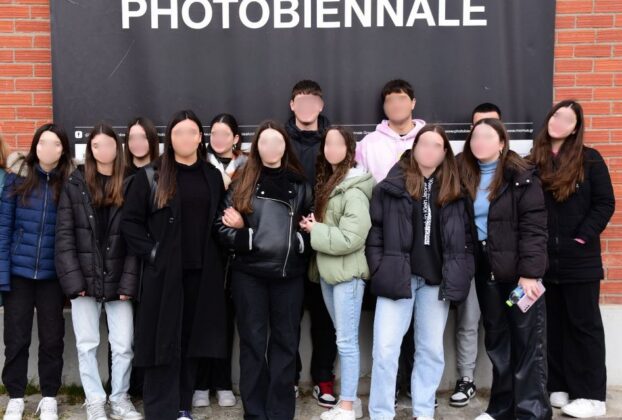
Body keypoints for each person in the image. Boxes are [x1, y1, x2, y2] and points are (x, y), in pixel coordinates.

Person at [122, 110, 229, 420]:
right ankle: (160, 410)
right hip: (164, 274)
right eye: (178, 132)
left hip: (202, 273)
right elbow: (130, 223)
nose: (185, 138)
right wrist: (153, 253)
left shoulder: (211, 176)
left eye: (191, 132)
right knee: (163, 340)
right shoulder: (151, 176)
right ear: (170, 138)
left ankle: (182, 406)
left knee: (191, 341)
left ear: (200, 138)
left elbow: (219, 220)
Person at [367, 124, 474, 420]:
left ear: (444, 152)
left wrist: (462, 271)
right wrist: (379, 268)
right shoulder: (391, 186)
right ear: (414, 149)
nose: (429, 150)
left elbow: (466, 239)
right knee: (385, 350)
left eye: (436, 145)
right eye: (424, 144)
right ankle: (381, 414)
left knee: (430, 351)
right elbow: (375, 232)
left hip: (435, 283)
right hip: (396, 277)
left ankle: (424, 412)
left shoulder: (455, 191)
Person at [216, 121, 312, 420]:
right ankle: (255, 413)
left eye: (277, 142)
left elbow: (311, 226)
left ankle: (280, 412)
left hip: (288, 276)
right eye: (265, 142)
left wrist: (297, 242)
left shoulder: (300, 184)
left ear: (285, 146)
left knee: (286, 344)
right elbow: (221, 227)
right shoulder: (241, 182)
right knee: (253, 345)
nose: (271, 148)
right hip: (249, 276)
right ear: (256, 147)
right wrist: (248, 237)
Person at [459, 118, 551, 420]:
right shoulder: (464, 173)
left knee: (527, 342)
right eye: (475, 137)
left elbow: (534, 229)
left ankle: (531, 412)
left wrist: (530, 274)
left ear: (501, 143)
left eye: (487, 137)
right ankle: (501, 409)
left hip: (519, 275)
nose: (480, 142)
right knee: (498, 340)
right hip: (486, 271)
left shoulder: (521, 177)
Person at [530, 100, 615, 419]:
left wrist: (581, 237)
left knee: (584, 326)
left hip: (580, 260)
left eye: (567, 119)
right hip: (545, 260)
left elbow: (605, 203)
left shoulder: (590, 159)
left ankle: (591, 395)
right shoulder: (534, 161)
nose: (559, 122)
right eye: (556, 115)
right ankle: (559, 386)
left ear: (575, 128)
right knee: (553, 326)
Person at [55, 123, 142, 420]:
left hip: (119, 278)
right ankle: (94, 400)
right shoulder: (75, 184)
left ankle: (119, 399)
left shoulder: (130, 182)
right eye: (96, 146)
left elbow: (135, 237)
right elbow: (64, 237)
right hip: (83, 278)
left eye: (108, 145)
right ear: (90, 150)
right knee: (87, 344)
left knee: (123, 345)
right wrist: (73, 281)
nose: (103, 150)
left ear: (117, 149)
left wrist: (129, 282)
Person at [300, 127, 375, 419]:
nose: (331, 149)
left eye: (338, 144)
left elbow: (351, 238)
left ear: (350, 149)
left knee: (346, 342)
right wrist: (315, 225)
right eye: (327, 144)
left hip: (347, 276)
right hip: (330, 273)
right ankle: (348, 402)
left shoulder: (354, 189)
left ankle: (347, 407)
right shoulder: (332, 182)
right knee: (342, 338)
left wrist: (315, 229)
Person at [0, 124, 72, 420]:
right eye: (43, 142)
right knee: (16, 338)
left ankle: (49, 396)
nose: (48, 149)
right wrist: (3, 275)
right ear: (35, 146)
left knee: (53, 339)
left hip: (52, 277)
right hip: (19, 274)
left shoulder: (69, 184)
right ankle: (16, 396)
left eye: (55, 144)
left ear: (63, 150)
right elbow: (4, 228)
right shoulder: (18, 179)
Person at [286, 80, 338, 407]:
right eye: (300, 101)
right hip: (288, 243)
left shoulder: (333, 140)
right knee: (288, 316)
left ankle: (323, 379)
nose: (306, 107)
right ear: (292, 105)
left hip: (325, 241)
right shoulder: (280, 139)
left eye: (312, 101)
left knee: (325, 317)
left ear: (321, 105)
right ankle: (289, 378)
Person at [449, 102, 503, 408]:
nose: (481, 134)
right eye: (477, 128)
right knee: (468, 319)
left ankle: (504, 383)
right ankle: (466, 379)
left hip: (501, 258)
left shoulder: (514, 170)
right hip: (469, 254)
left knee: (498, 321)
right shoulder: (460, 166)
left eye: (489, 127)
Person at [192, 113, 246, 409]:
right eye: (214, 134)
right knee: (202, 319)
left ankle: (223, 382)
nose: (219, 139)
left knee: (226, 320)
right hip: (204, 251)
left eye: (225, 134)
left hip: (235, 253)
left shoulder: (247, 167)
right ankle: (201, 384)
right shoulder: (199, 164)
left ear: (236, 138)